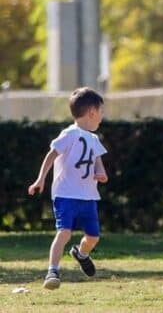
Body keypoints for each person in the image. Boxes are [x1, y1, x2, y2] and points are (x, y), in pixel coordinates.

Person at [28, 87, 108, 290]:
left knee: (93, 237)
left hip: (89, 195)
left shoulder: (94, 139)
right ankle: (52, 271)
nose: (102, 116)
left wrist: (102, 173)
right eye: (101, 112)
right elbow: (51, 155)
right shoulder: (69, 134)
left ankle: (81, 254)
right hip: (66, 194)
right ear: (91, 111)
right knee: (64, 232)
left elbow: (97, 161)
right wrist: (40, 179)